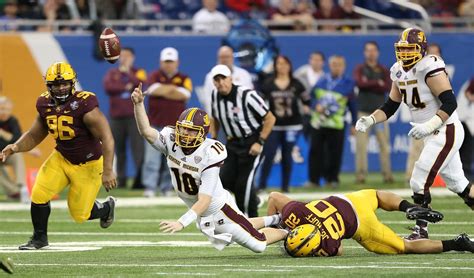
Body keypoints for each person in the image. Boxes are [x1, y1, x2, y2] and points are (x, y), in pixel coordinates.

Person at [131, 84, 287, 252]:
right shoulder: (170, 140)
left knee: (258, 244)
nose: (184, 133)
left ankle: (289, 231)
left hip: (220, 209)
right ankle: (276, 218)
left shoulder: (210, 152)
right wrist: (138, 104)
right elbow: (147, 131)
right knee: (242, 225)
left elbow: (204, 200)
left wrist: (181, 222)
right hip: (203, 212)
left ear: (202, 133)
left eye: (191, 131)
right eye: (183, 128)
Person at [355, 27, 474, 240]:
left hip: (445, 129)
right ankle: (422, 229)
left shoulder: (430, 66)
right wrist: (371, 119)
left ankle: (421, 231)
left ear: (421, 49)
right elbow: (391, 104)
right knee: (459, 184)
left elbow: (450, 102)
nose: (404, 54)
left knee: (418, 180)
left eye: (410, 49)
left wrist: (429, 125)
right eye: (402, 49)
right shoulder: (398, 70)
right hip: (433, 132)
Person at [0, 62, 117, 250]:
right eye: (56, 84)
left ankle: (106, 208)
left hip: (89, 164)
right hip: (61, 157)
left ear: (72, 83)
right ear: (48, 85)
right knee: (39, 193)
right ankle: (39, 239)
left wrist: (109, 170)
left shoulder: (85, 105)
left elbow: (107, 137)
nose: (60, 88)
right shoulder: (44, 103)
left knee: (80, 215)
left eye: (64, 84)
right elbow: (34, 134)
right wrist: (15, 147)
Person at [268, 190, 474, 257]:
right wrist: (278, 224)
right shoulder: (295, 212)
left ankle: (456, 243)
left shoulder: (327, 244)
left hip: (361, 224)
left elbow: (338, 249)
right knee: (377, 195)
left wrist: (278, 229)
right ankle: (408, 207)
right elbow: (274, 197)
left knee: (406, 246)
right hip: (349, 199)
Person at [209, 65, 276, 217]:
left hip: (252, 141)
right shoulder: (214, 95)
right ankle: (253, 200)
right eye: (217, 80)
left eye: (223, 78)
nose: (221, 83)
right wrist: (213, 138)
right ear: (213, 82)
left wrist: (260, 141)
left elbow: (270, 118)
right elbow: (214, 118)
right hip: (232, 143)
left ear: (231, 78)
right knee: (223, 181)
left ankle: (250, 221)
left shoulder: (247, 95)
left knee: (243, 185)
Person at [143, 47, 192, 197]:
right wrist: (173, 89)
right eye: (166, 62)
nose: (168, 64)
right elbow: (152, 90)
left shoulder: (185, 78)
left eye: (171, 62)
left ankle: (167, 188)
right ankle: (150, 187)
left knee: (172, 159)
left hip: (176, 127)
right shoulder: (153, 75)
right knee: (152, 158)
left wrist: (164, 89)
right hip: (155, 124)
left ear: (177, 62)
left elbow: (185, 95)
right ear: (161, 62)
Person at [258, 55, 310, 193]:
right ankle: (262, 185)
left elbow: (307, 100)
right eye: (279, 63)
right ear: (275, 66)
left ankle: (285, 187)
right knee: (269, 154)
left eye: (285, 63)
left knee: (287, 155)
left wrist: (306, 108)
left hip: (292, 125)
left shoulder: (296, 83)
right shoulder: (269, 83)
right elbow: (258, 101)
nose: (282, 66)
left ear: (289, 65)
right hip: (274, 125)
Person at [307, 55, 357, 188]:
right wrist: (315, 105)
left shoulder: (348, 83)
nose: (336, 67)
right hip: (319, 122)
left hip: (337, 123)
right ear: (329, 66)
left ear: (344, 67)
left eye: (339, 64)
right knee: (315, 151)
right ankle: (314, 180)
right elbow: (311, 98)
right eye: (334, 64)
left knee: (335, 152)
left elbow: (353, 105)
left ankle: (332, 179)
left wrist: (354, 123)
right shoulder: (322, 80)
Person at [103, 47, 146, 189]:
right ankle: (120, 178)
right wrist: (126, 86)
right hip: (116, 117)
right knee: (118, 149)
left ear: (133, 57)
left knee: (138, 149)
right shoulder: (112, 72)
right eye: (123, 56)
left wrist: (128, 73)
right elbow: (109, 87)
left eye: (128, 56)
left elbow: (140, 84)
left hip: (134, 117)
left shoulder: (138, 71)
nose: (125, 58)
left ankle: (139, 179)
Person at [353, 41, 393, 184]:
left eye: (373, 50)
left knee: (384, 145)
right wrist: (377, 83)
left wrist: (370, 83)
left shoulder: (383, 69)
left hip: (380, 114)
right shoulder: (360, 69)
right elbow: (359, 83)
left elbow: (388, 86)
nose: (371, 53)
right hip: (363, 112)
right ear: (365, 52)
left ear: (377, 52)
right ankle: (361, 175)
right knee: (361, 146)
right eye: (368, 50)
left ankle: (387, 175)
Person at [200, 46, 254, 115]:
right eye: (222, 57)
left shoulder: (244, 74)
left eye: (227, 57)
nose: (225, 60)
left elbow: (249, 97)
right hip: (220, 116)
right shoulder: (210, 77)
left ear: (232, 57)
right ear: (218, 58)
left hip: (243, 117)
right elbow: (208, 100)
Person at [0, 96, 26, 201]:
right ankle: (14, 192)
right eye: (1, 109)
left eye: (6, 109)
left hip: (7, 153)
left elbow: (16, 139)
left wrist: (1, 132)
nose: (4, 112)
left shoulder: (12, 120)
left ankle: (21, 186)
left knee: (18, 155)